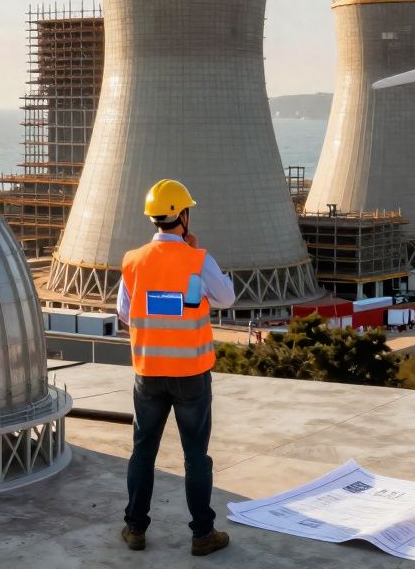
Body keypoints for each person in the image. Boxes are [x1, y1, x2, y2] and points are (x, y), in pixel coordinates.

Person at [117, 179, 236, 557]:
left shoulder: (133, 261)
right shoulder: (197, 260)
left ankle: (135, 528)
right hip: (191, 375)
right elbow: (226, 298)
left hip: (148, 373)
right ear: (183, 216)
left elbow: (124, 312)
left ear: (153, 218)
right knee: (195, 457)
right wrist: (194, 260)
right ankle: (202, 534)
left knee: (143, 452)